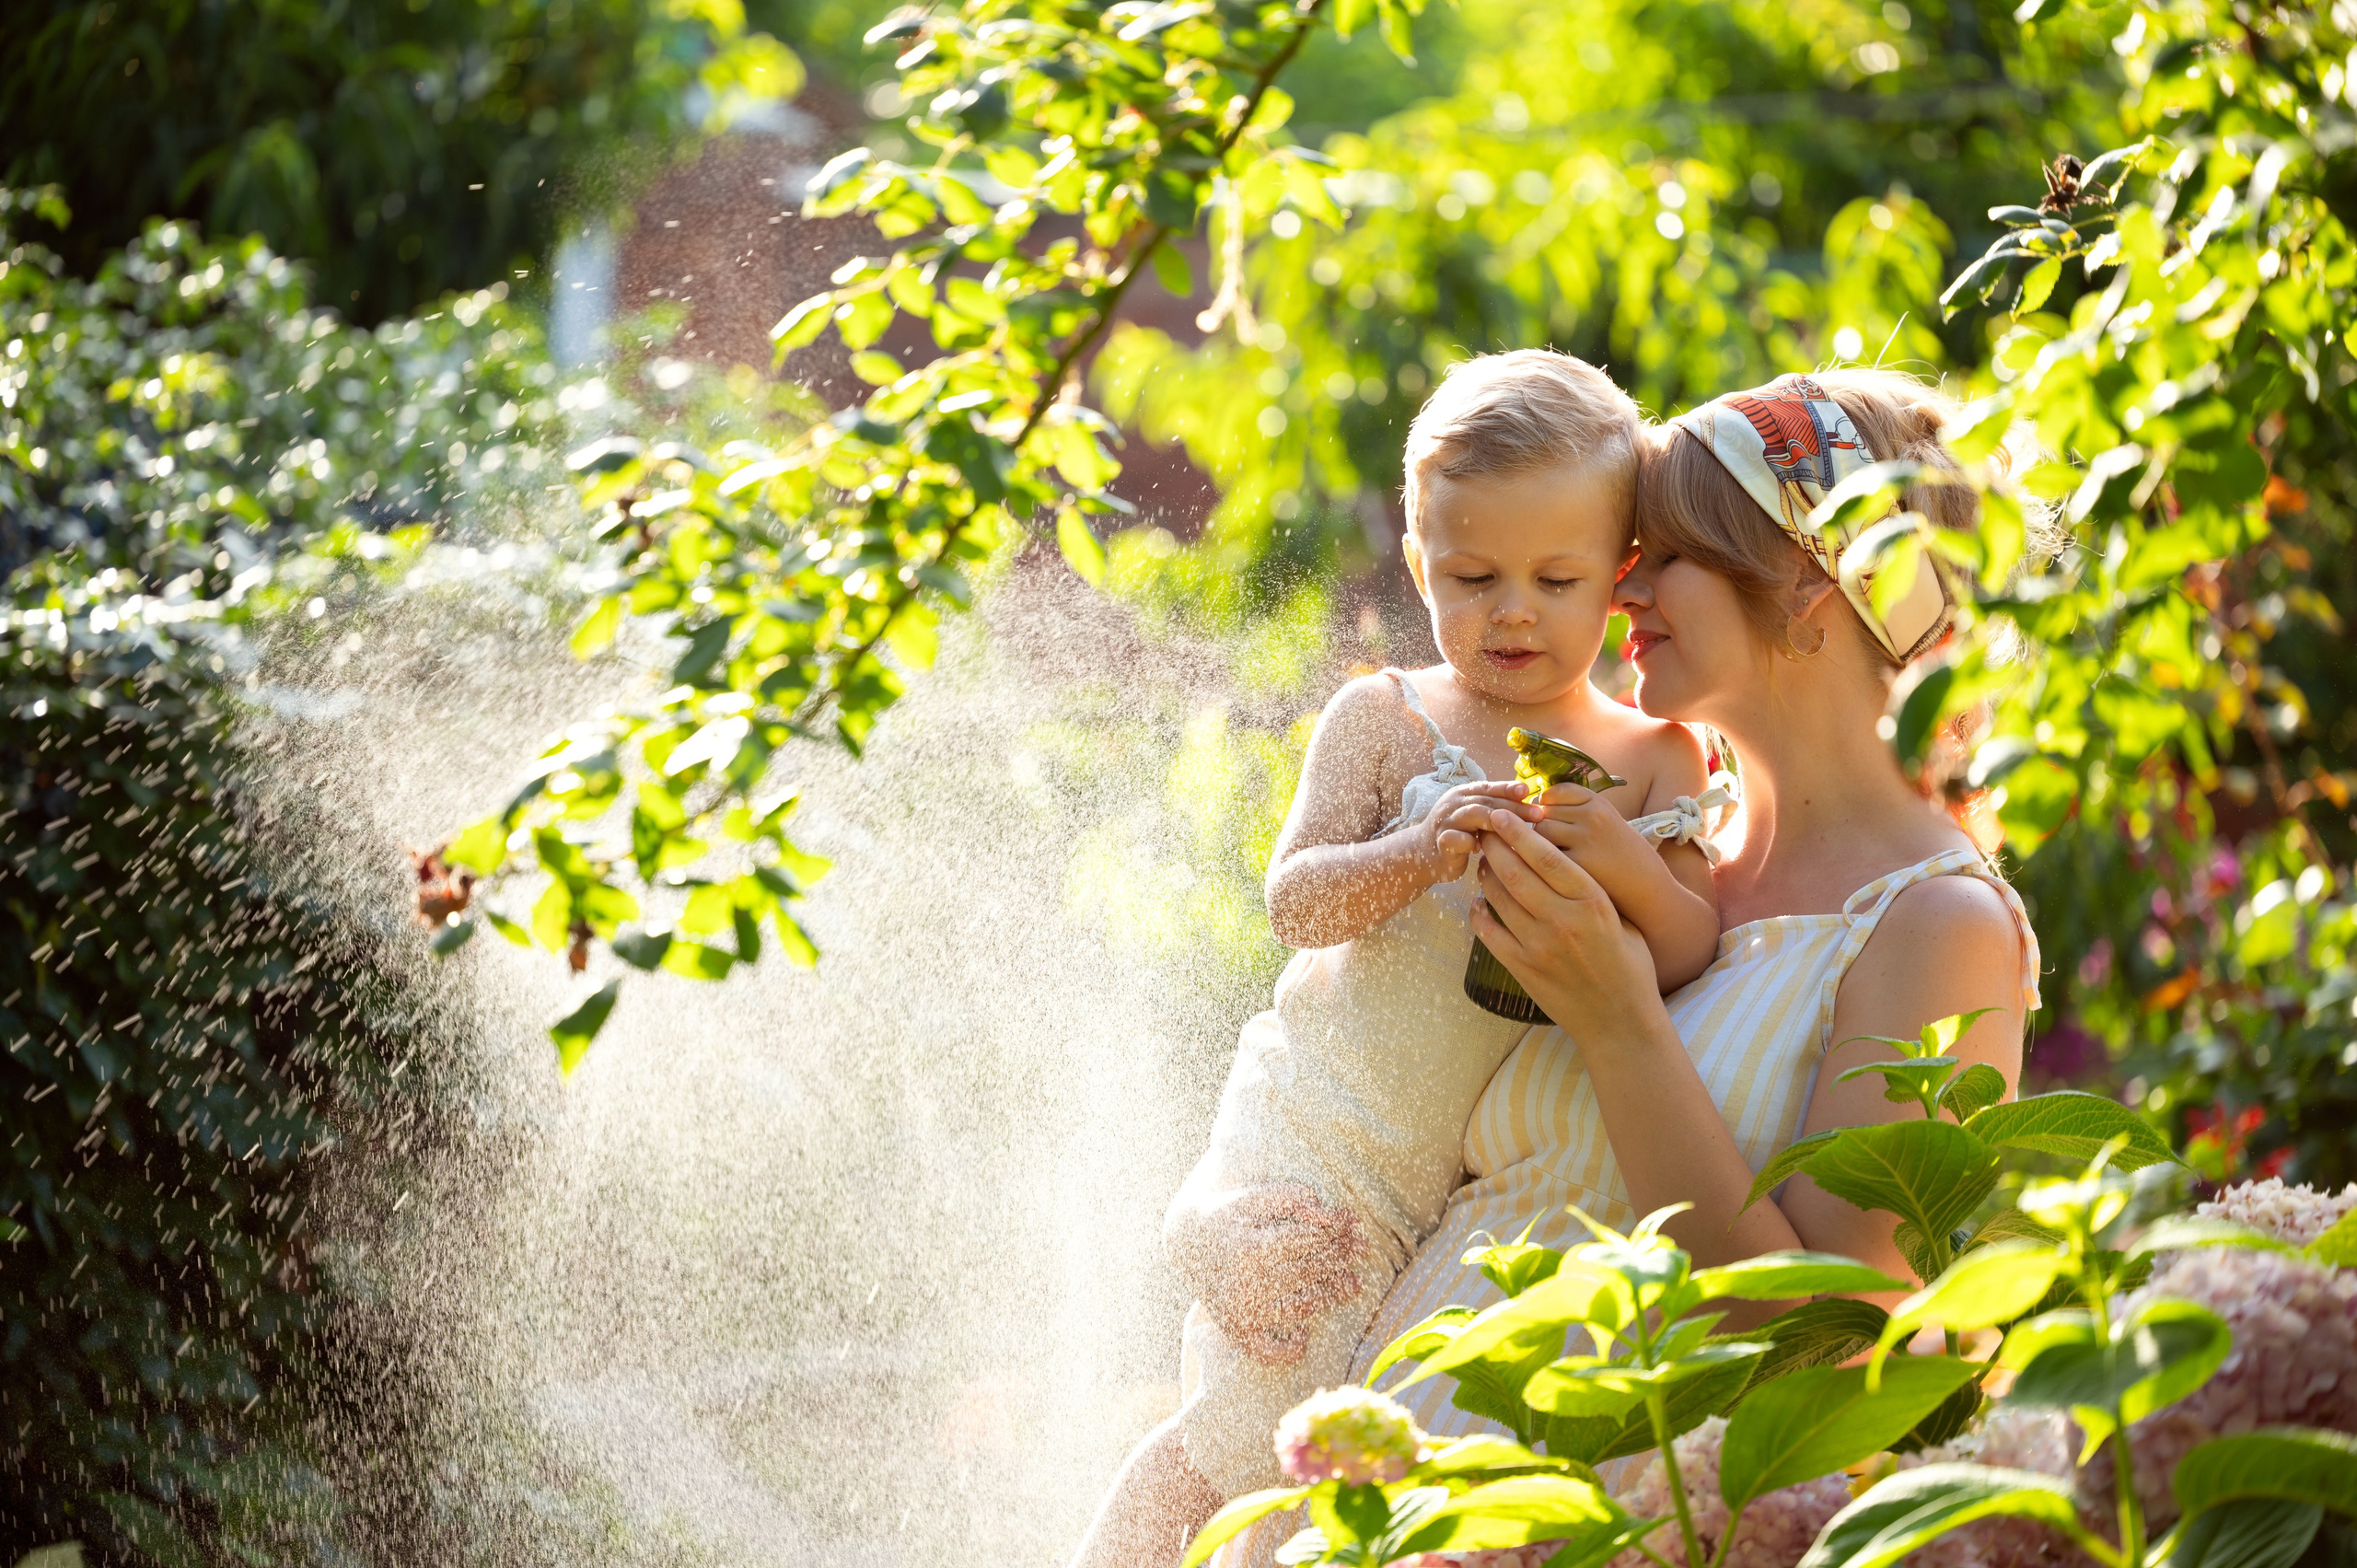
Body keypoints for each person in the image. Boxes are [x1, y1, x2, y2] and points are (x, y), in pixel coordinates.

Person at [1206, 368, 2044, 1566]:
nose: (1622, 584)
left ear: (1809, 586)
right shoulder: (1658, 845)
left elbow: (1841, 1343)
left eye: (1667, 553)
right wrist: (1231, 1230)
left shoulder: (1931, 922)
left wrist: (1617, 1018)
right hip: (1384, 1499)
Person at [1063, 350, 1730, 1568]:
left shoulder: (1655, 763)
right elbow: (1295, 904)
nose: (1511, 611)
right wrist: (1419, 854)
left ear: (1620, 577)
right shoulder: (1387, 718)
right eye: (1471, 577)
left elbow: (1693, 943)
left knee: (1344, 1450)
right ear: (1420, 564)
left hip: (1446, 1191)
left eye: (1554, 578)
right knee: (1249, 1427)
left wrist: (1621, 868)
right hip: (1319, 1123)